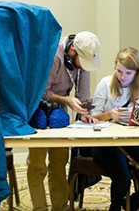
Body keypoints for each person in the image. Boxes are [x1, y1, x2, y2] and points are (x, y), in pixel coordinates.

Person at [26, 31, 100, 211]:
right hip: (38, 109)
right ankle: (39, 208)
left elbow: (83, 90)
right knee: (37, 165)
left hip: (60, 111)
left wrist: (85, 110)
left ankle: (61, 206)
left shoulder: (83, 54)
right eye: (81, 63)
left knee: (59, 162)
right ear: (72, 50)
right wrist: (67, 100)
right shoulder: (54, 55)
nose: (83, 67)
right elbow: (43, 91)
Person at [90, 47, 139, 211]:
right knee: (123, 179)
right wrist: (109, 115)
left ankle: (126, 206)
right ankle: (115, 208)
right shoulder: (106, 83)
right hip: (105, 144)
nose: (122, 77)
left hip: (132, 142)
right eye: (119, 71)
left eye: (128, 73)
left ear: (137, 72)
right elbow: (92, 117)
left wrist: (138, 115)